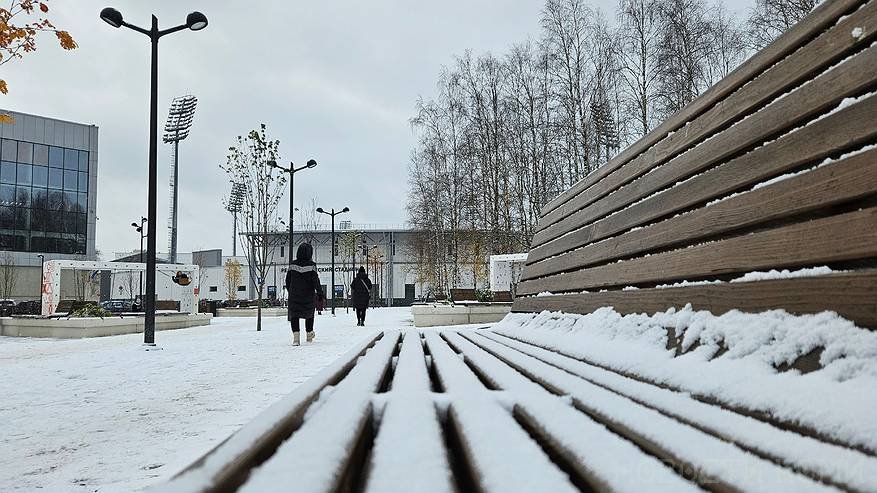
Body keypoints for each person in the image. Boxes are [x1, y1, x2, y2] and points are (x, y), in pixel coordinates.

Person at [286, 243, 323, 346]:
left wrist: (291, 291)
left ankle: (296, 339)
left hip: (294, 295)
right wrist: (320, 292)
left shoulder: (292, 265)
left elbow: (288, 280)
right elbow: (315, 281)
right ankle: (309, 334)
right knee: (309, 314)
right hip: (308, 295)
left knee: (295, 315)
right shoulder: (312, 266)